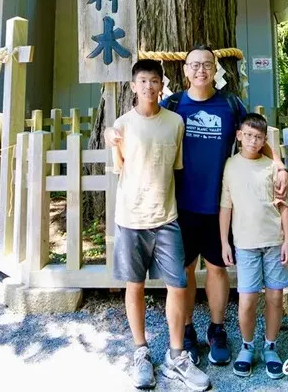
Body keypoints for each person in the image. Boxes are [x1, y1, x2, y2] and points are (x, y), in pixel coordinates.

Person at [160, 46, 288, 367]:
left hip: (221, 205)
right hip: (182, 204)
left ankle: (217, 329)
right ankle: (187, 329)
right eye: (194, 65)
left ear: (215, 69)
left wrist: (280, 164)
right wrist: (113, 134)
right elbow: (143, 121)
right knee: (186, 270)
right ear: (185, 70)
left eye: (207, 64)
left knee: (218, 269)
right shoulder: (173, 105)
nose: (200, 70)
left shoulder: (230, 104)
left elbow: (255, 134)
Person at [111, 58, 211, 391]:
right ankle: (141, 352)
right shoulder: (121, 125)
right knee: (134, 285)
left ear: (162, 84)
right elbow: (119, 167)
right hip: (131, 218)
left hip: (167, 217)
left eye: (155, 81)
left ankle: (176, 355)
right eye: (143, 81)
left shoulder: (175, 122)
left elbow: (176, 165)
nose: (149, 87)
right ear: (133, 86)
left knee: (179, 285)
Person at [219, 112, 288, 380]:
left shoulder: (272, 167)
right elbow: (226, 206)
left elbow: (284, 207)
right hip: (245, 244)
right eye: (248, 135)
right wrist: (224, 242)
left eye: (258, 137)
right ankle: (247, 346)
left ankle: (271, 345)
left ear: (264, 141)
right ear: (239, 136)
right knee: (247, 299)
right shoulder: (230, 165)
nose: (252, 141)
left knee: (274, 296)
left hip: (273, 242)